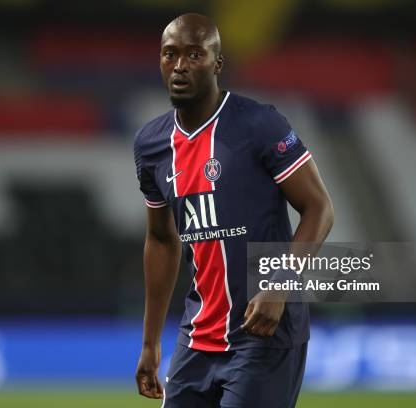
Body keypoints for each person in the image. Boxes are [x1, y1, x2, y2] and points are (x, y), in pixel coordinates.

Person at [134, 13, 334, 407]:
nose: (180, 66)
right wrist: (150, 343)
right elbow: (160, 239)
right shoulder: (151, 145)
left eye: (194, 55)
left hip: (264, 333)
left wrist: (280, 284)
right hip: (196, 337)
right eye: (170, 54)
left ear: (217, 63)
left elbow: (319, 207)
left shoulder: (259, 124)